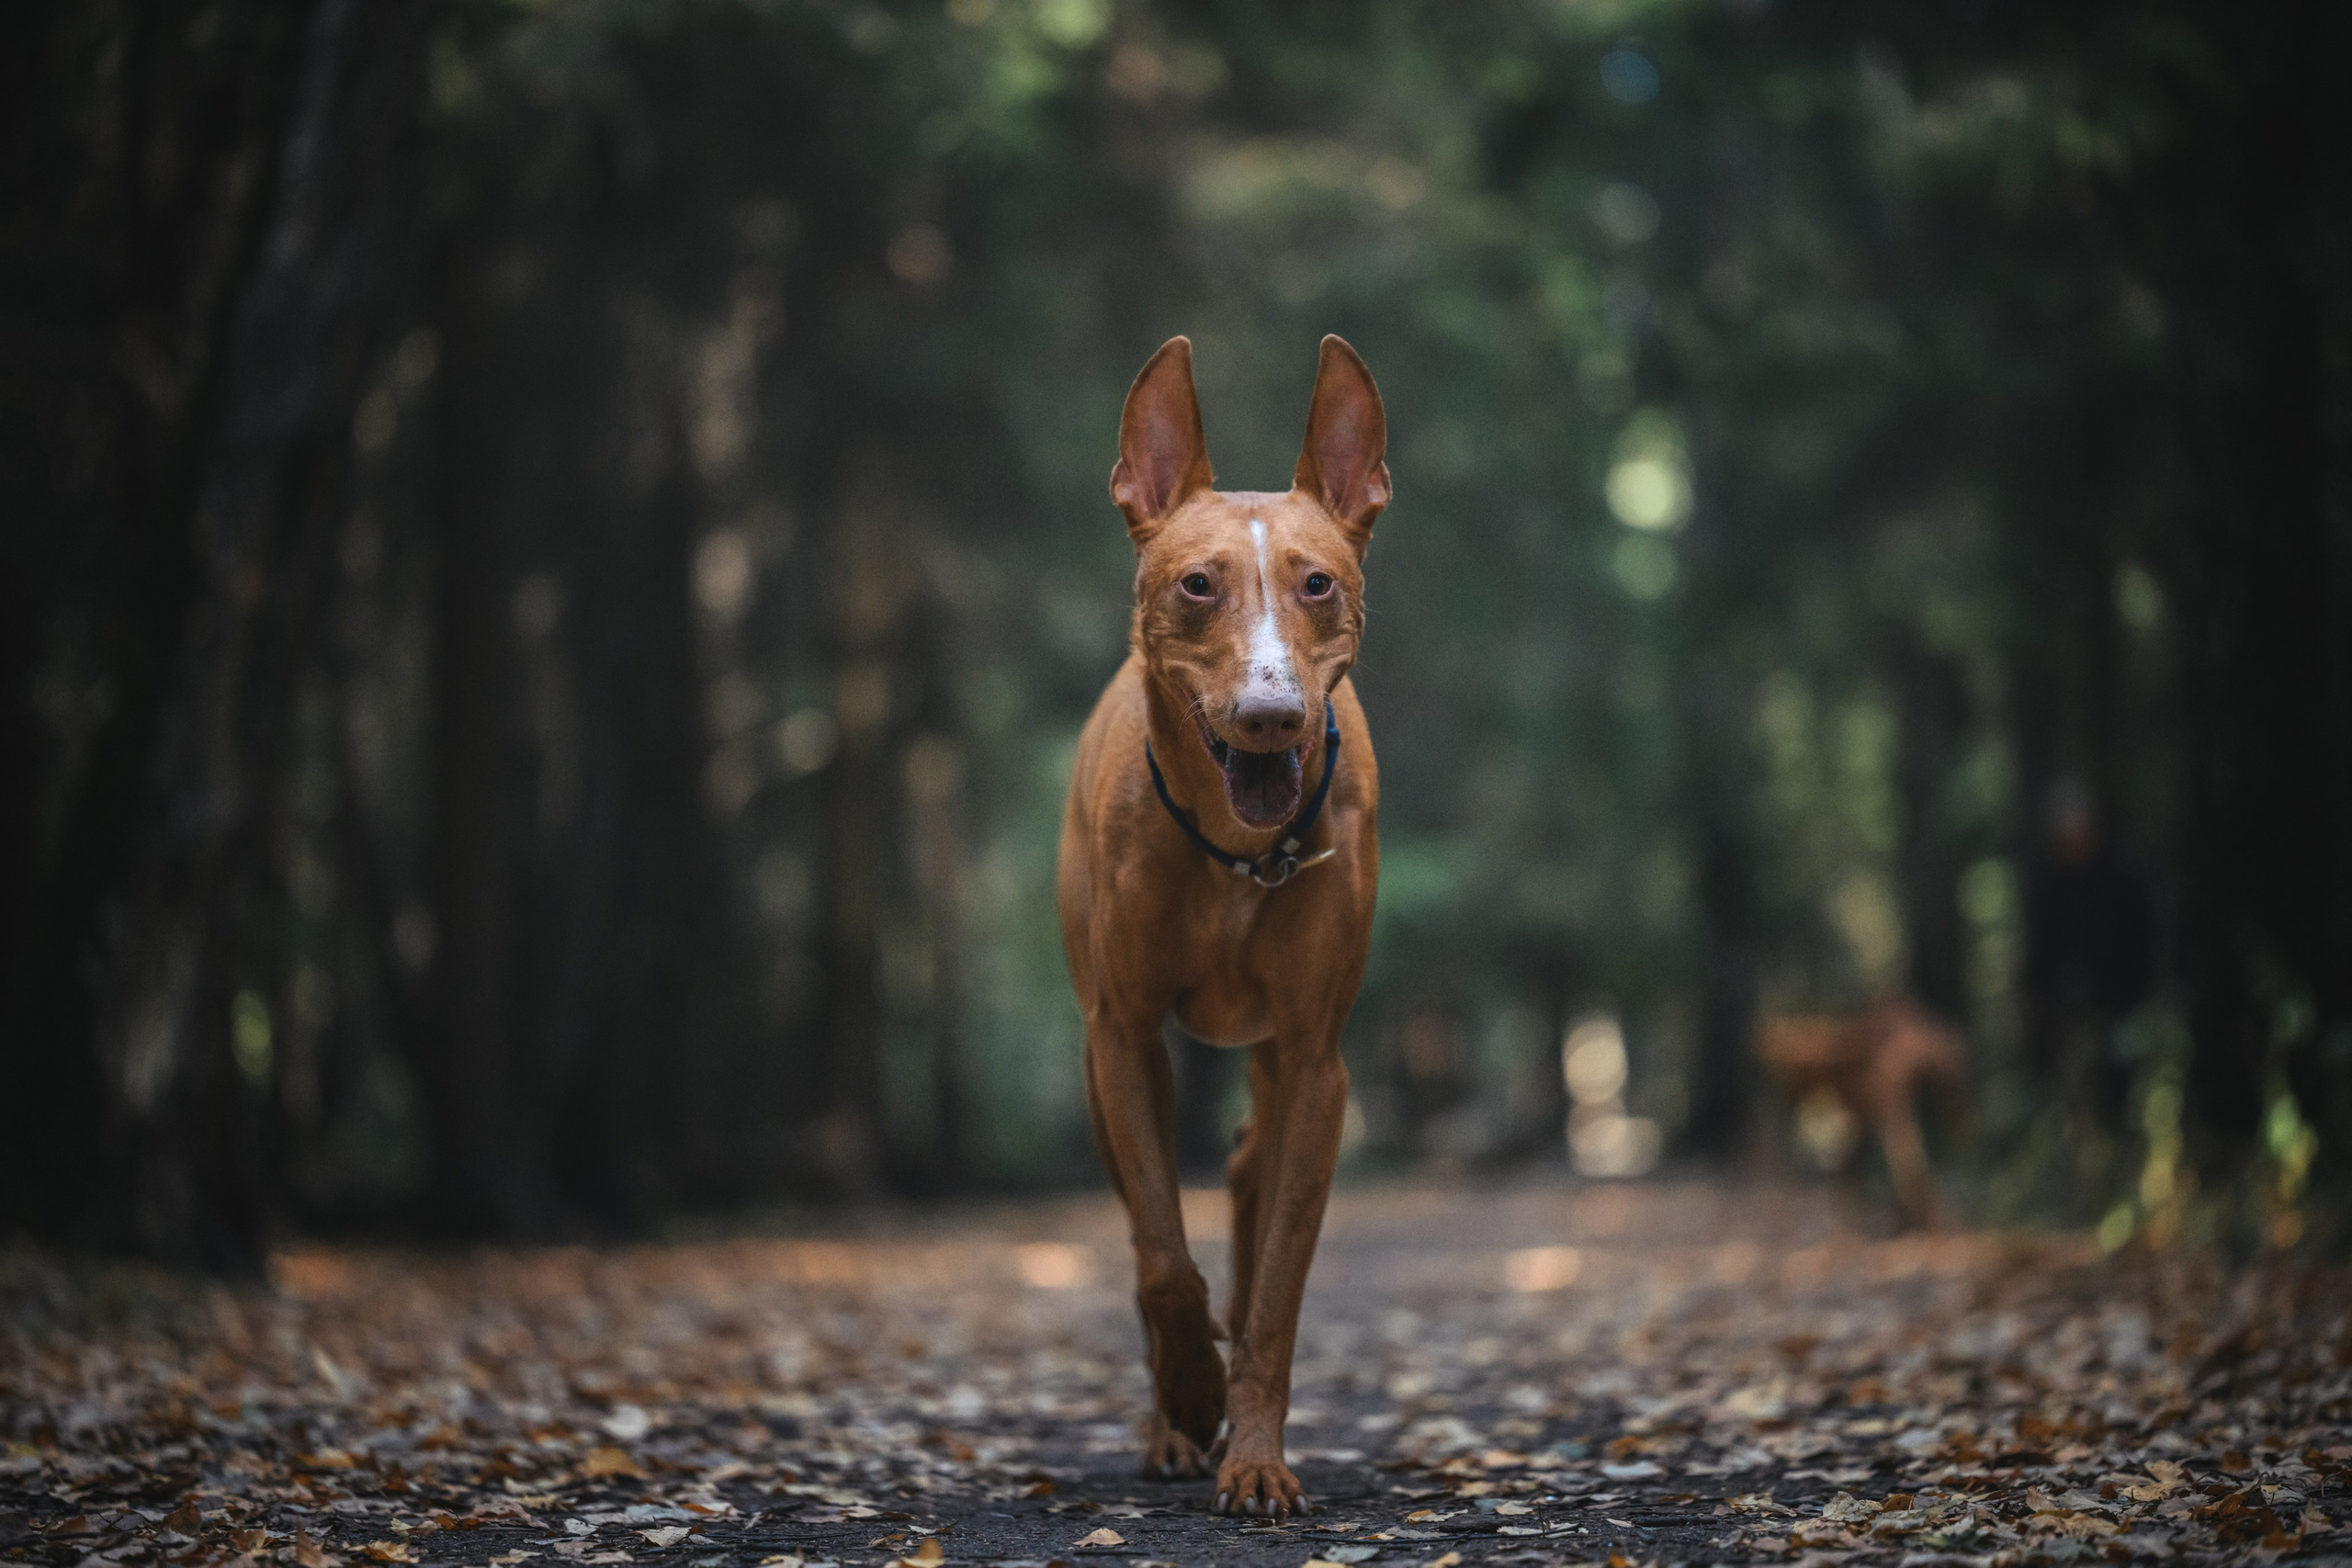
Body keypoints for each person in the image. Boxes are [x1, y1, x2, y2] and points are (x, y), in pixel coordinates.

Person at [2022, 777, 2157, 1129]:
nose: (2070, 836)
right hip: (2068, 1014)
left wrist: (2139, 996)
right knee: (2068, 1093)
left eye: (2076, 824)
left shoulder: (2120, 877)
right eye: (2062, 827)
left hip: (2120, 1003)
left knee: (2121, 1084)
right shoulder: (2048, 887)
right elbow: (2040, 954)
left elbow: (2143, 940)